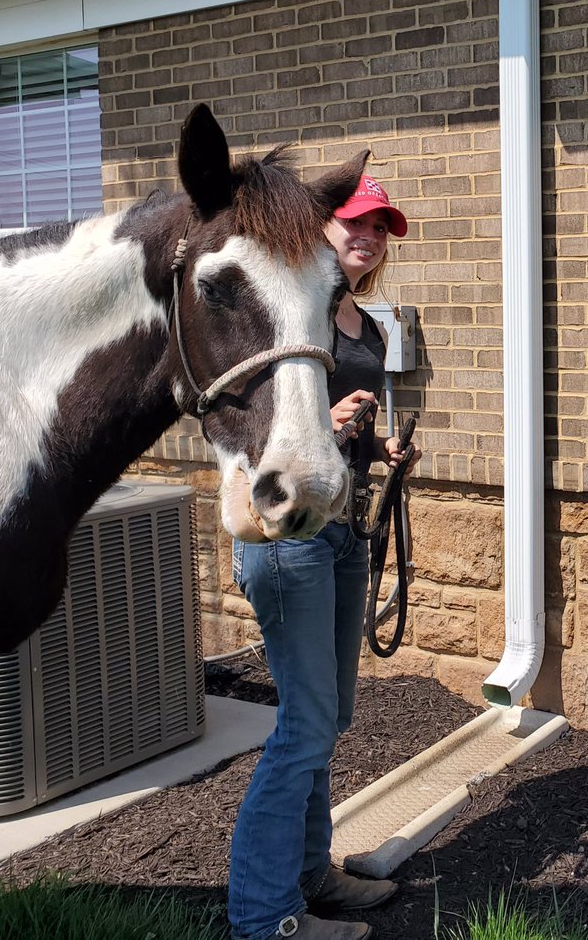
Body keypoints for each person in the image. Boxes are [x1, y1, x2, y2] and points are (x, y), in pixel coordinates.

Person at [228, 173, 417, 940]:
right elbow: (248, 424)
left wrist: (378, 446)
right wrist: (325, 426)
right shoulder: (283, 312)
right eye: (355, 225)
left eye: (380, 229)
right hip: (288, 536)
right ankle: (264, 916)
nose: (367, 239)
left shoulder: (364, 326)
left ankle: (311, 876)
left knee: (328, 717)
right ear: (320, 228)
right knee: (302, 724)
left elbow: (350, 431)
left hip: (342, 531)